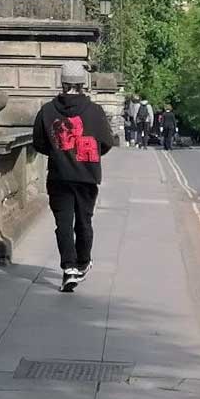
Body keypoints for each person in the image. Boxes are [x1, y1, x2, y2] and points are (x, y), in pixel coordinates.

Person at [32, 62, 116, 292]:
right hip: (87, 176)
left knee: (63, 224)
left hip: (59, 176)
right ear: (82, 84)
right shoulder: (95, 112)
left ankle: (68, 267)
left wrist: (58, 152)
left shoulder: (47, 111)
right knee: (84, 222)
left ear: (62, 83)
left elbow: (38, 143)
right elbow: (107, 142)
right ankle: (82, 263)